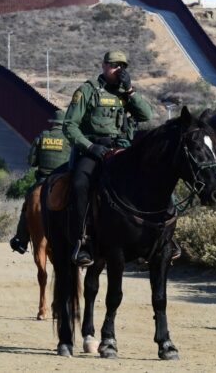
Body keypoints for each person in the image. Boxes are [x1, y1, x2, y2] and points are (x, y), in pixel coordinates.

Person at [63, 50, 153, 267]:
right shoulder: (88, 90)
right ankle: (82, 241)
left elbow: (146, 116)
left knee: (151, 179)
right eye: (113, 65)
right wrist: (90, 146)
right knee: (80, 184)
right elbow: (69, 126)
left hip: (121, 149)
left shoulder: (125, 93)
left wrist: (130, 91)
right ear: (104, 66)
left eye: (121, 66)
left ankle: (154, 239)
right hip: (94, 149)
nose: (117, 70)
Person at [9, 109, 71, 254]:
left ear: (53, 123)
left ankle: (21, 239)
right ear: (64, 124)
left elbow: (31, 161)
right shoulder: (69, 139)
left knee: (27, 206)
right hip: (63, 180)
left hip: (43, 181)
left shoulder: (42, 137)